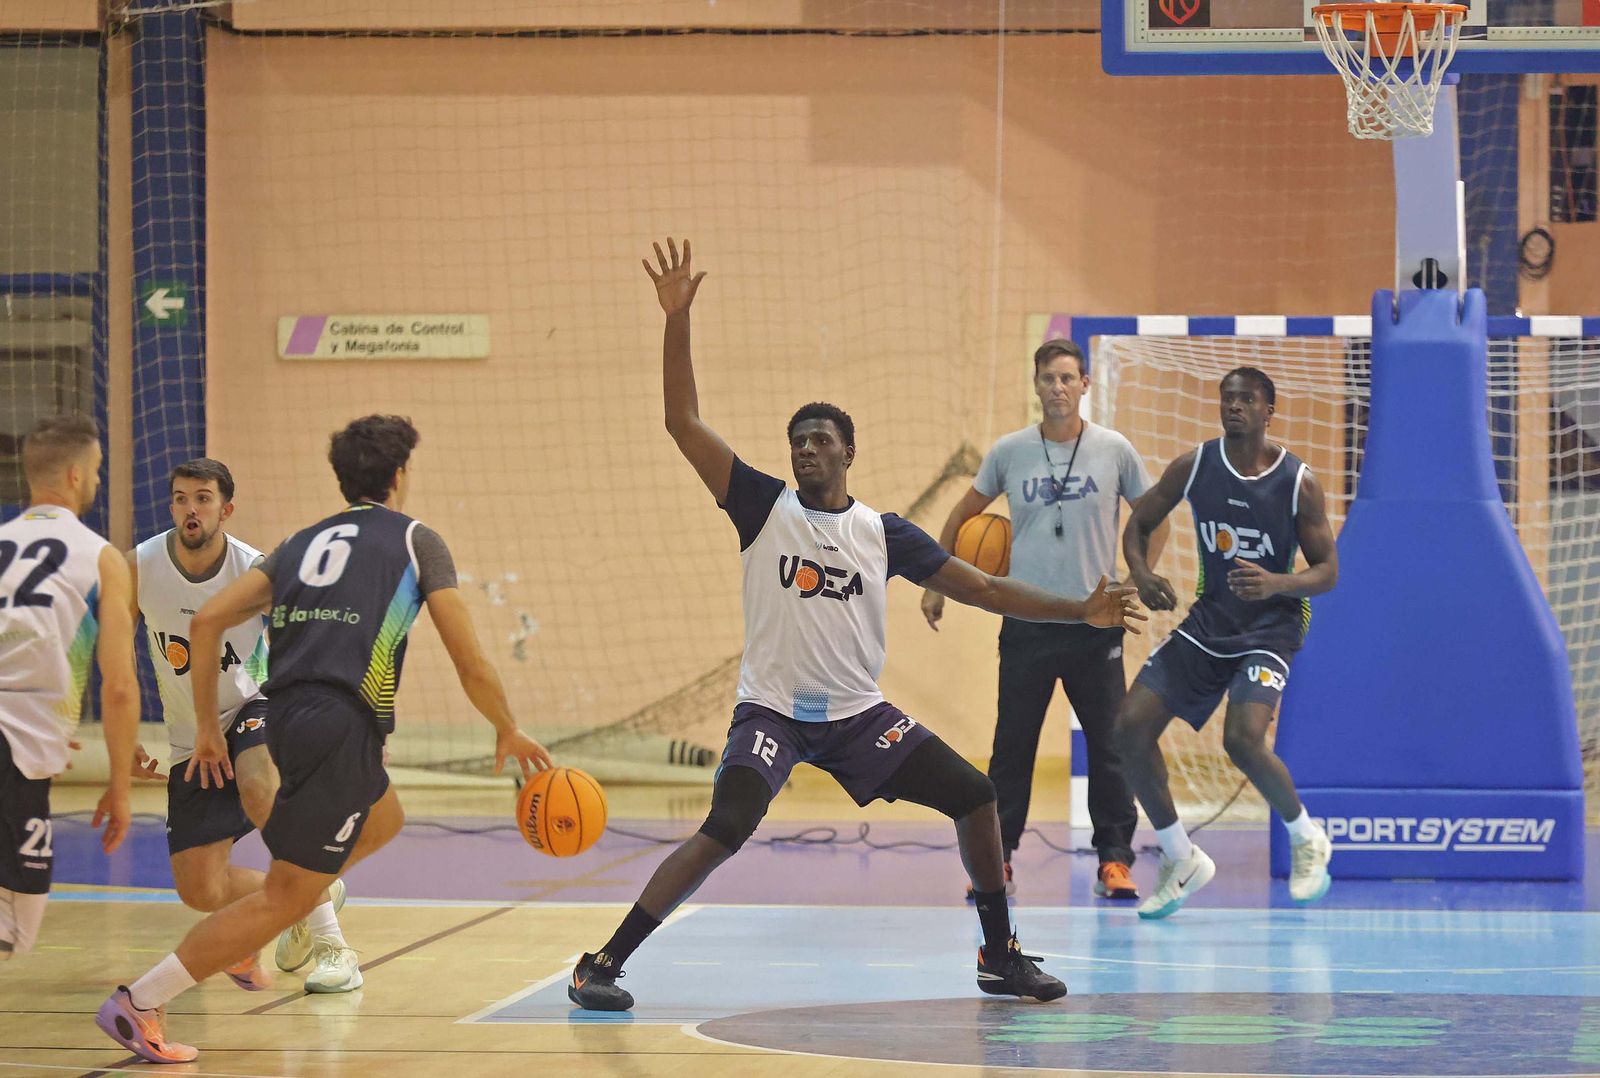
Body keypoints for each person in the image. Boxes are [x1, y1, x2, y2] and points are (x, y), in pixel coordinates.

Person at [566, 238, 1145, 1014]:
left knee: (976, 796)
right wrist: (677, 320)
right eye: (797, 440)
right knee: (727, 824)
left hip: (855, 716)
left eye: (820, 440)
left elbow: (984, 587)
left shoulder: (884, 532)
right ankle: (601, 963)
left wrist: (1079, 609)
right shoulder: (761, 507)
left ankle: (998, 954)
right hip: (772, 710)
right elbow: (681, 420)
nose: (806, 449)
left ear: (847, 453)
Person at [97, 415, 553, 1063]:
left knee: (385, 817)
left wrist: (206, 722)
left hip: (280, 711)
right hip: (335, 719)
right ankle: (142, 1001)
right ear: (399, 477)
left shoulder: (300, 542)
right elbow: (470, 659)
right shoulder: (418, 540)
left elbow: (208, 623)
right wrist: (506, 727)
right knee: (285, 891)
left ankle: (310, 893)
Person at [922, 338, 1161, 902]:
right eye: (1048, 378)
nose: (1058, 387)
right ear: (1036, 385)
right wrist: (938, 582)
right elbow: (963, 515)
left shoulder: (1114, 449)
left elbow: (1151, 515)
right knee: (1013, 747)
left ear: (1084, 385)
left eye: (1067, 378)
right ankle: (997, 859)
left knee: (1109, 746)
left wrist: (1140, 571)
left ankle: (1114, 861)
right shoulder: (1010, 451)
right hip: (1025, 621)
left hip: (1094, 622)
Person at [1116, 367, 1338, 919]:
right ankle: (1179, 855)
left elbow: (1329, 571)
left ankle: (1307, 837)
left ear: (1270, 411)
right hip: (1210, 622)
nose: (1234, 407)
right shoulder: (1195, 466)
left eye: (1247, 399)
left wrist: (1276, 583)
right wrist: (1140, 573)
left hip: (1271, 629)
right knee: (1128, 731)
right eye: (1228, 398)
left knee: (1242, 740)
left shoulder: (1298, 481)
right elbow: (1138, 524)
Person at [127, 457, 354, 993]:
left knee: (259, 787)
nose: (191, 509)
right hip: (189, 734)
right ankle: (303, 897)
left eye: (203, 498)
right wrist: (122, 736)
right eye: (181, 497)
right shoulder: (140, 566)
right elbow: (111, 644)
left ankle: (335, 950)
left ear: (226, 509)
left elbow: (299, 650)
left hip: (254, 705)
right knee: (201, 890)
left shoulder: (255, 570)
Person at [0, 415, 138, 960]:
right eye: (99, 470)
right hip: (16, 755)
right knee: (15, 931)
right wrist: (121, 788)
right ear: (78, 475)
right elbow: (121, 688)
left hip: (22, 745)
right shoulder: (100, 557)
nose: (99, 482)